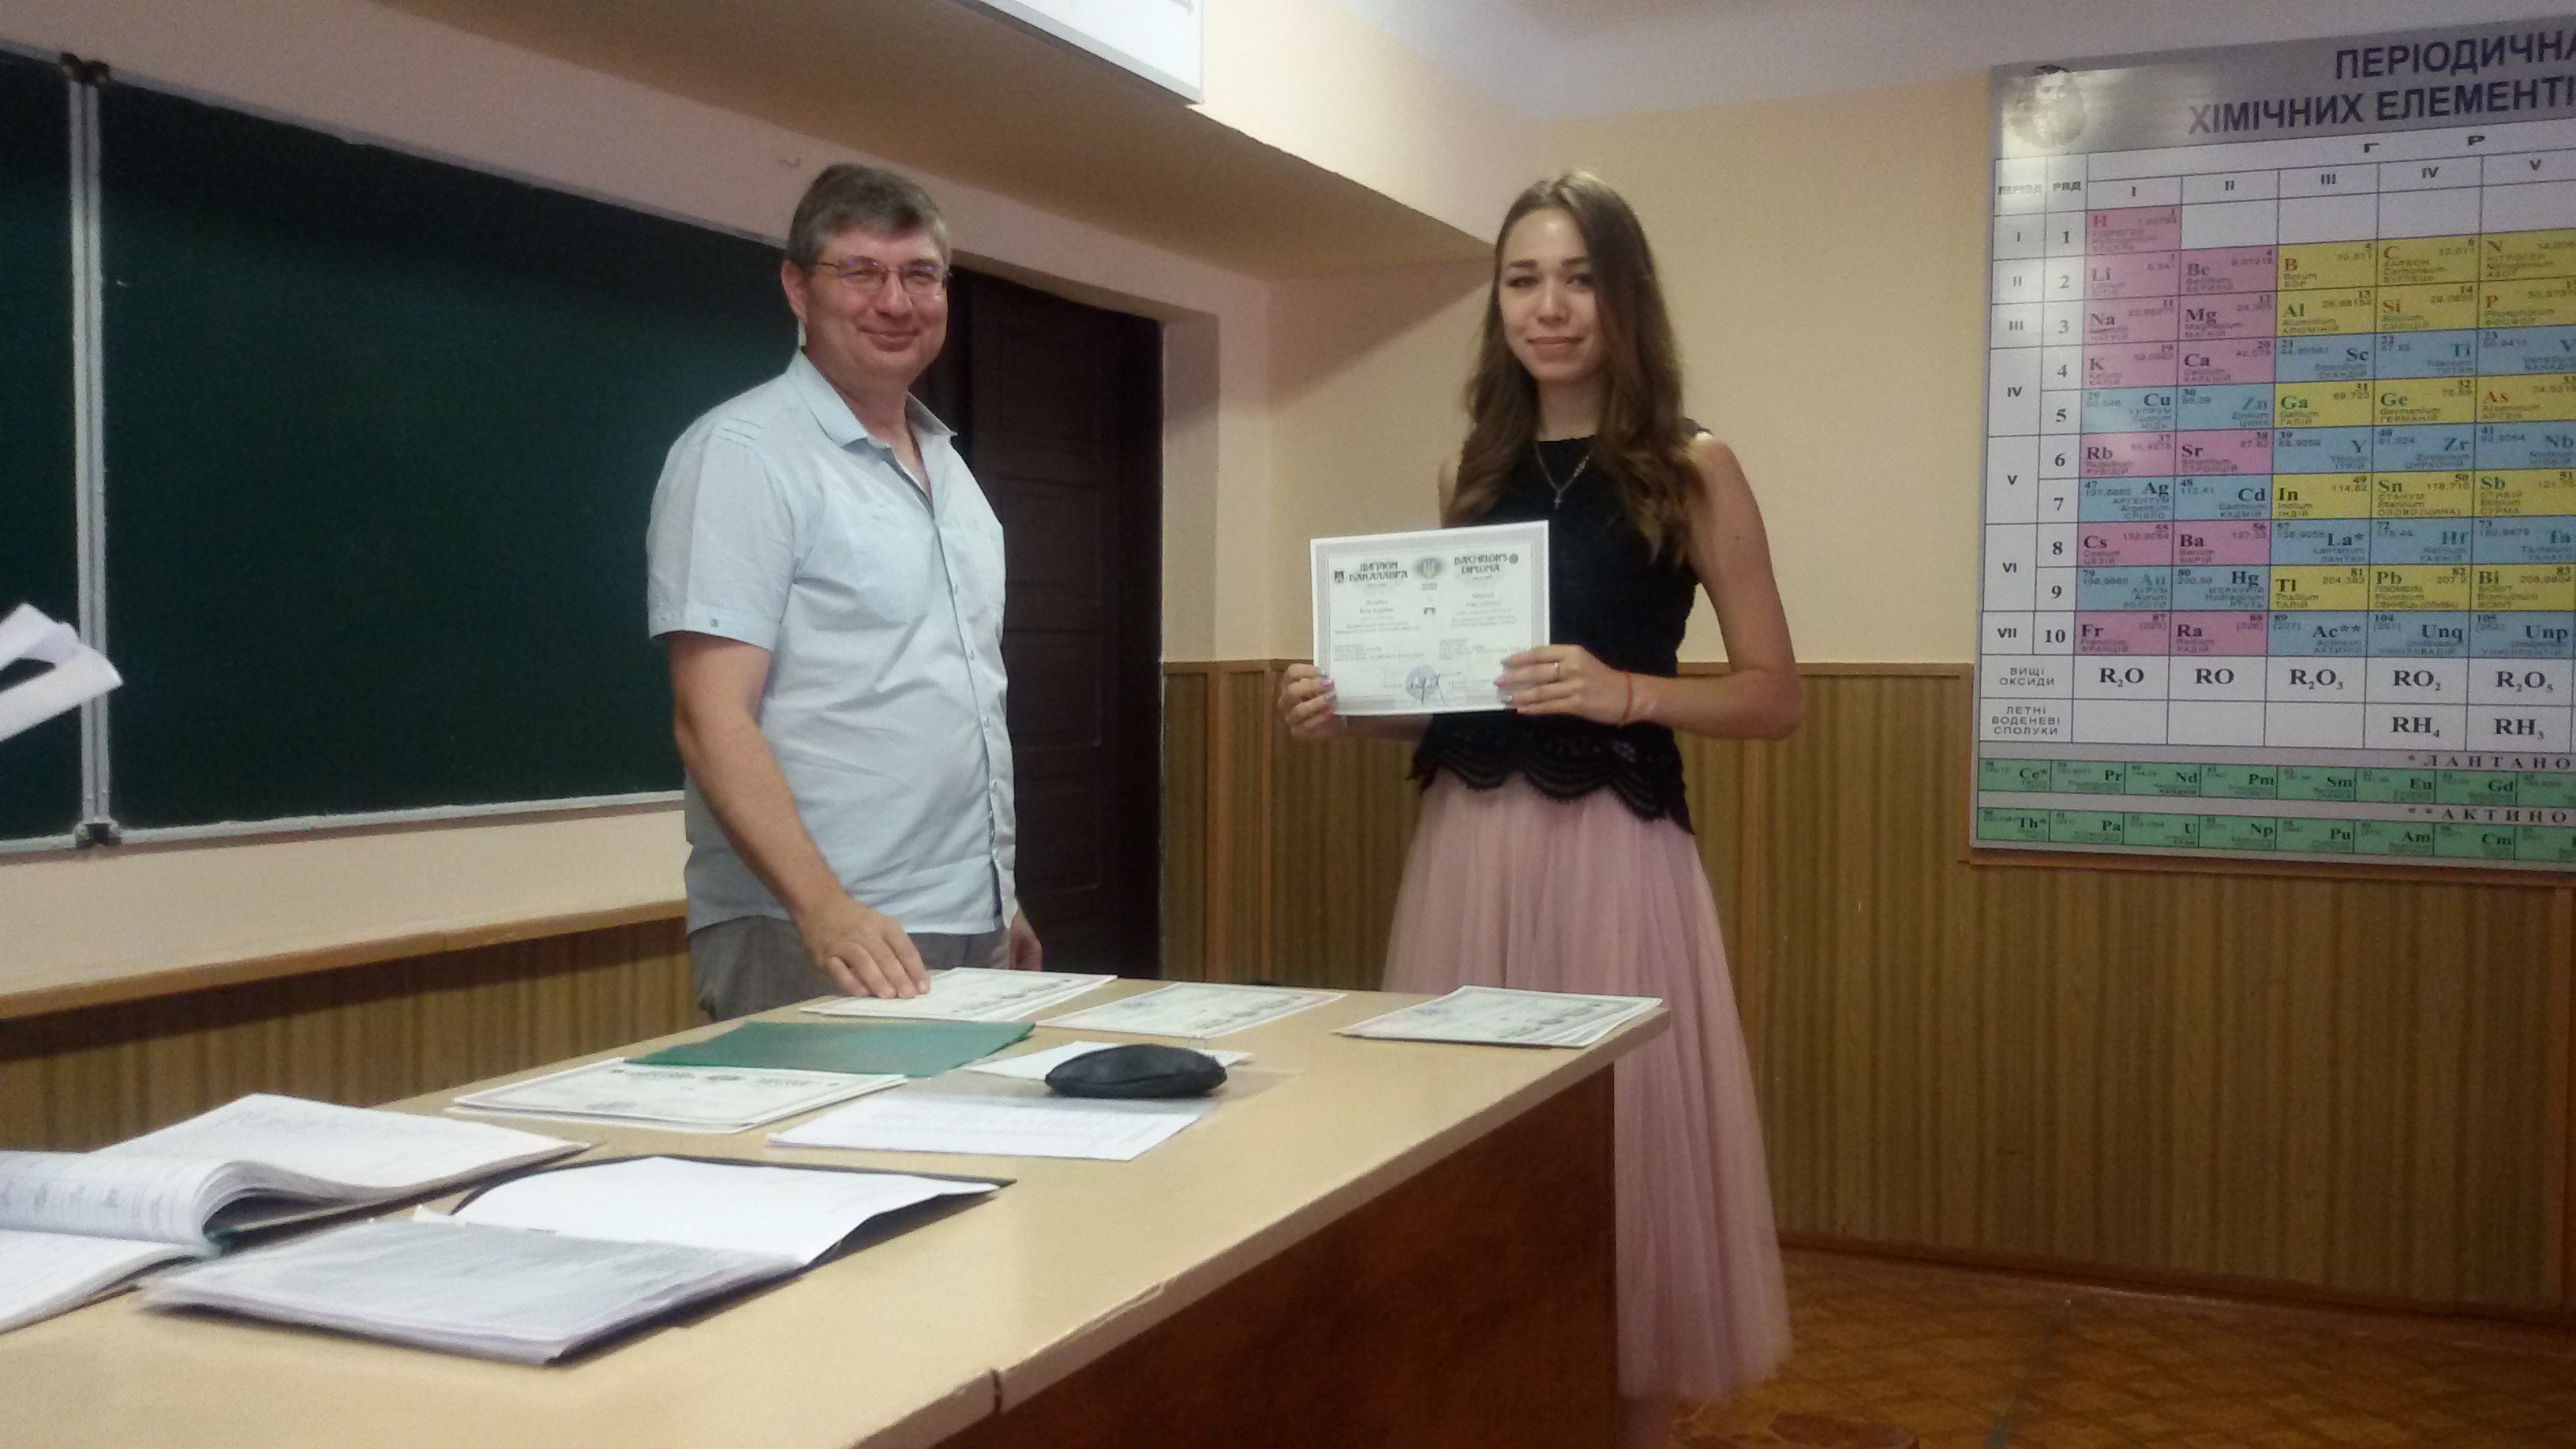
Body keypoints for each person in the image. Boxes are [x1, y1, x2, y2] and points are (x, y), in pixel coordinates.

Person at [1277, 172, 1799, 1447]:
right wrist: (1352, 709)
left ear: (1623, 299)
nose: (1548, 307)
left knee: (1620, 1167)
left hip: (1615, 858)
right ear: (1497, 302)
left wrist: (1627, 692)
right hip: (1468, 850)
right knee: (1465, 1165)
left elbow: (1775, 695)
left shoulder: (1690, 466)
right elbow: (1462, 701)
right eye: (1522, 280)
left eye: (1577, 279)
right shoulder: (1471, 469)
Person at [646, 163, 1039, 1020]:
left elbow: (950, 697)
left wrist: (996, 897)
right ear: (798, 287)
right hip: (816, 931)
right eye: (860, 271)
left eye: (921, 274)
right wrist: (823, 908)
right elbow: (710, 718)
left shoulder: (953, 472)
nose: (895, 302)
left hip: (965, 921)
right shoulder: (744, 454)